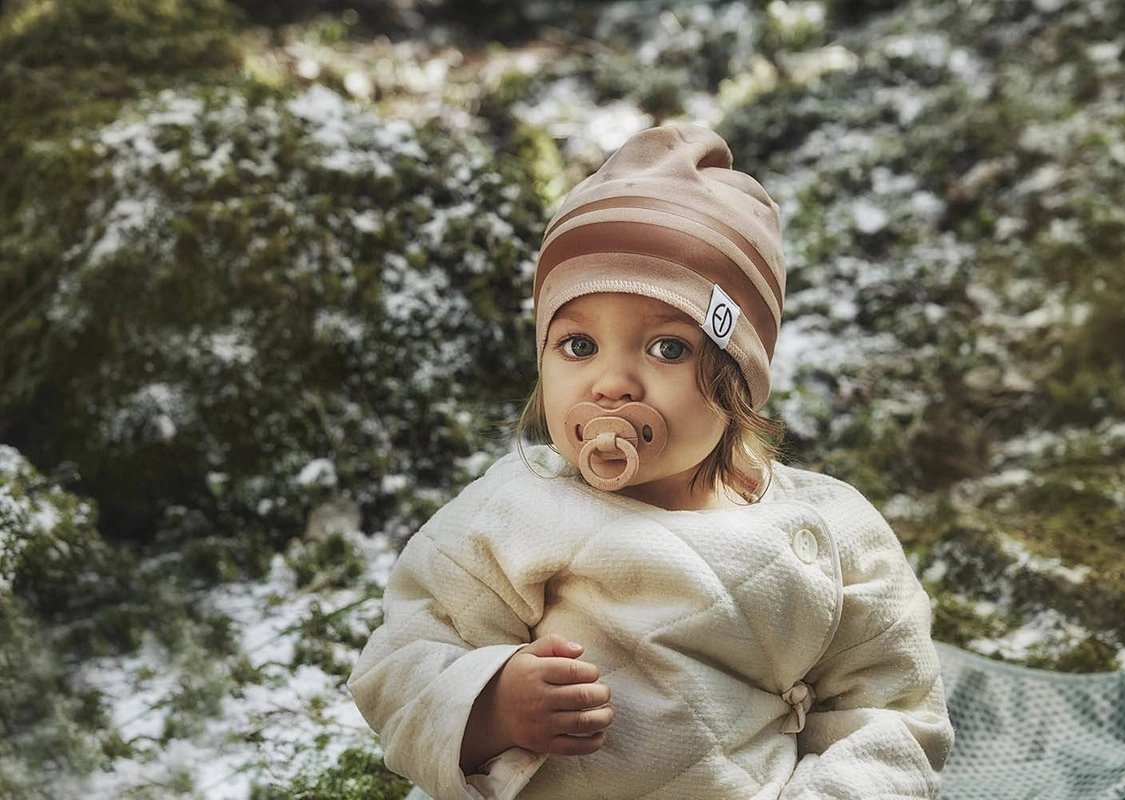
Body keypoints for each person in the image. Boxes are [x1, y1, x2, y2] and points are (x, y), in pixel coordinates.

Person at [348, 124, 954, 799]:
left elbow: (894, 713)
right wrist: (489, 706)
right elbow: (402, 657)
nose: (611, 384)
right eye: (579, 346)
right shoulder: (511, 510)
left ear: (738, 375)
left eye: (667, 348)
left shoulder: (837, 532)